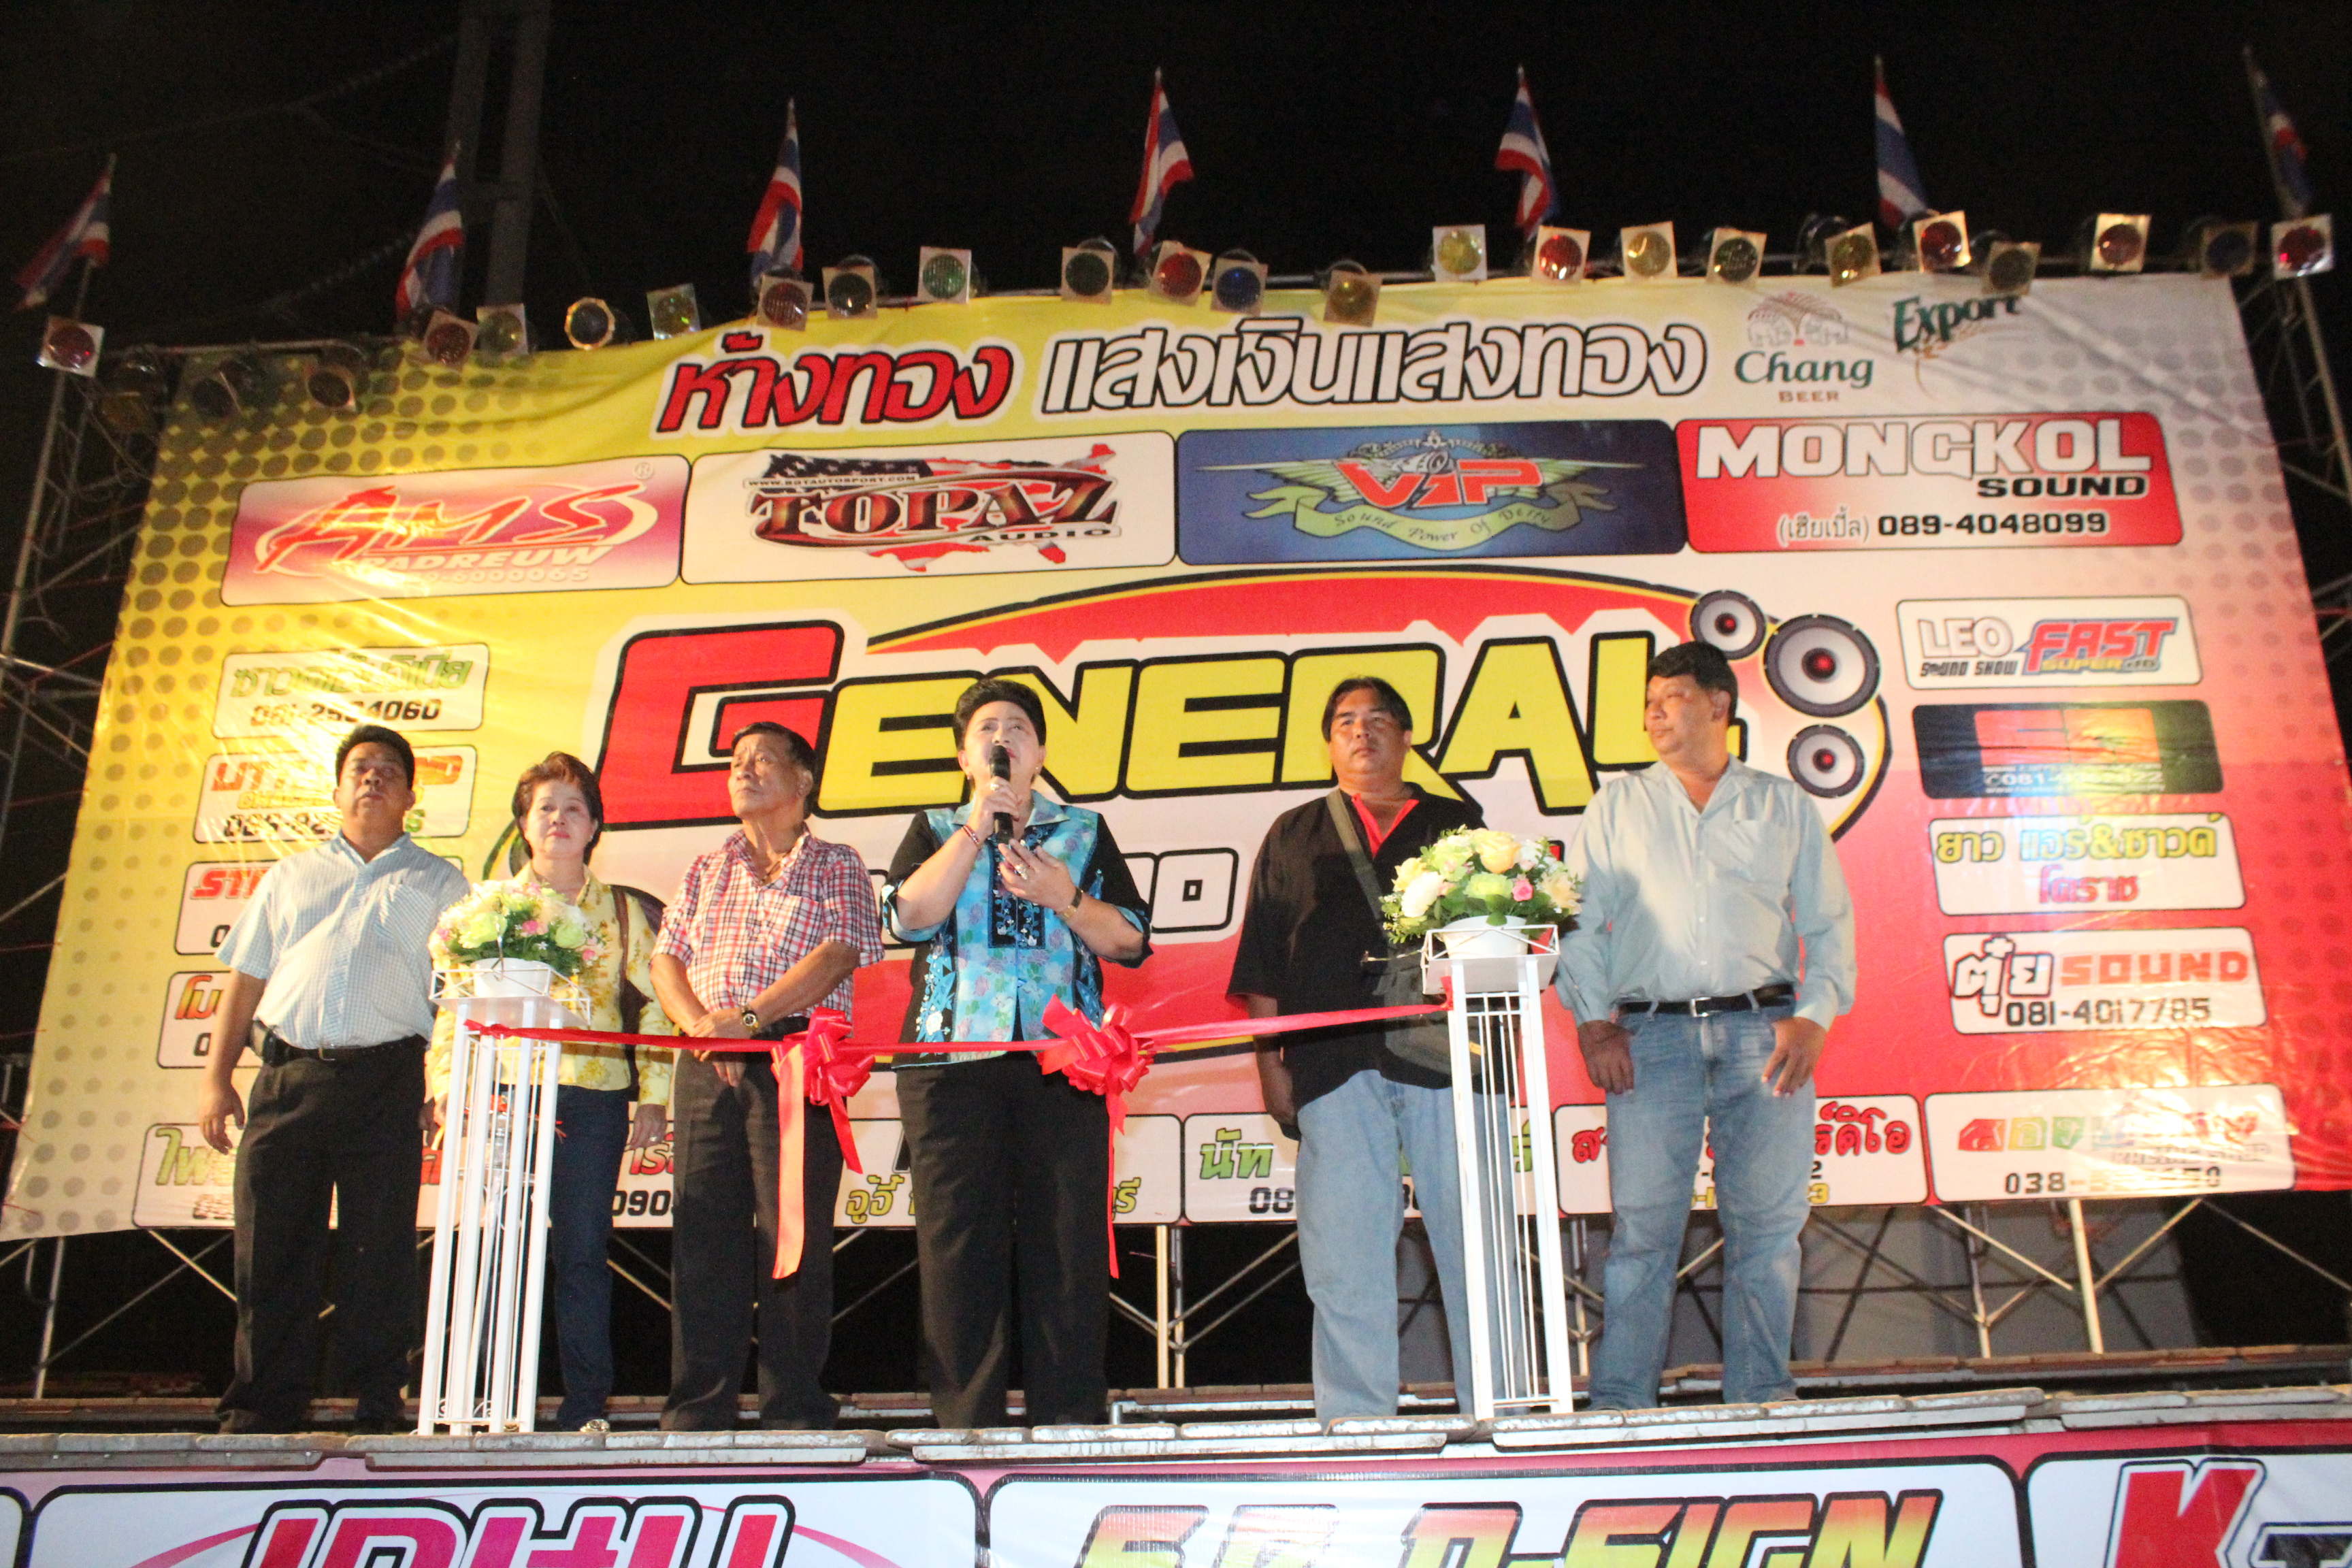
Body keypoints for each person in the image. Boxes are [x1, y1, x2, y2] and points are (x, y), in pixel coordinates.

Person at [1554, 640, 1857, 1410]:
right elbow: (1578, 926)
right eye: (1649, 703)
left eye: (1673, 698)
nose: (1655, 714)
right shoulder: (1618, 805)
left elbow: (1828, 924)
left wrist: (1815, 1017)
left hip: (1768, 1035)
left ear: (1719, 705)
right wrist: (1593, 1024)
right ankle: (1621, 1406)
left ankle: (1761, 1400)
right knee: (1642, 1234)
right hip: (1650, 1039)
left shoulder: (1780, 803)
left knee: (1769, 1231)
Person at [881, 677, 1151, 1429]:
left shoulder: (1085, 831)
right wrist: (976, 828)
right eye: (987, 729)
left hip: (1067, 1062)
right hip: (949, 1062)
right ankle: (966, 1426)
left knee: (1066, 1243)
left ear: (1040, 754)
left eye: (1019, 728)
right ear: (966, 757)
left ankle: (1069, 1422)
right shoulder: (936, 828)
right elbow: (907, 918)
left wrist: (1067, 898)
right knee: (957, 1244)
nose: (1003, 738)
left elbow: (1131, 940)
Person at [197, 724, 470, 1434]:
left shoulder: (442, 883)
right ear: (337, 789)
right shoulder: (289, 876)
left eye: (388, 770)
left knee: (378, 1252)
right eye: (359, 768)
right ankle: (262, 1403)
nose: (372, 778)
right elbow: (245, 980)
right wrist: (216, 1078)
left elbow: (456, 995)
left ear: (411, 796)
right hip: (287, 1078)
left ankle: (378, 1401)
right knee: (271, 1247)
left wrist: (442, 1083)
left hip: (387, 1080)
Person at [1228, 676, 1485, 1420]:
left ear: (1406, 736)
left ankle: (1495, 1411)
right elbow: (1264, 960)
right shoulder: (1294, 831)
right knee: (1344, 1255)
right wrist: (1269, 1064)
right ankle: (1358, 1423)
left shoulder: (1458, 825)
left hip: (1446, 1058)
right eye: (1345, 722)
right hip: (1330, 1060)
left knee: (1474, 1241)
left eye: (1377, 720)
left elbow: (1491, 939)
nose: (1361, 733)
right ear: (1329, 743)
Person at [425, 751, 674, 1432]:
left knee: (583, 1252)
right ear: (524, 824)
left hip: (594, 1097)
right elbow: (455, 1007)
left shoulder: (622, 911)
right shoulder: (487, 910)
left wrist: (654, 1095)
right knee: (496, 1245)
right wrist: (449, 1084)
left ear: (594, 826)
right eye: (545, 808)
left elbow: (658, 1007)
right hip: (506, 1092)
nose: (559, 820)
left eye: (574, 809)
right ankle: (482, 1401)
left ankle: (585, 1406)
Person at [649, 721, 883, 1430]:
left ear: (804, 780)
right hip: (705, 1054)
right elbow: (666, 959)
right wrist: (703, 1026)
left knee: (793, 1237)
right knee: (702, 1233)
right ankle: (699, 1407)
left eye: (762, 760)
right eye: (735, 763)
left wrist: (748, 1020)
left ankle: (794, 1406)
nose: (744, 772)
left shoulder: (837, 862)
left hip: (793, 1055)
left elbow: (841, 952)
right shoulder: (706, 866)